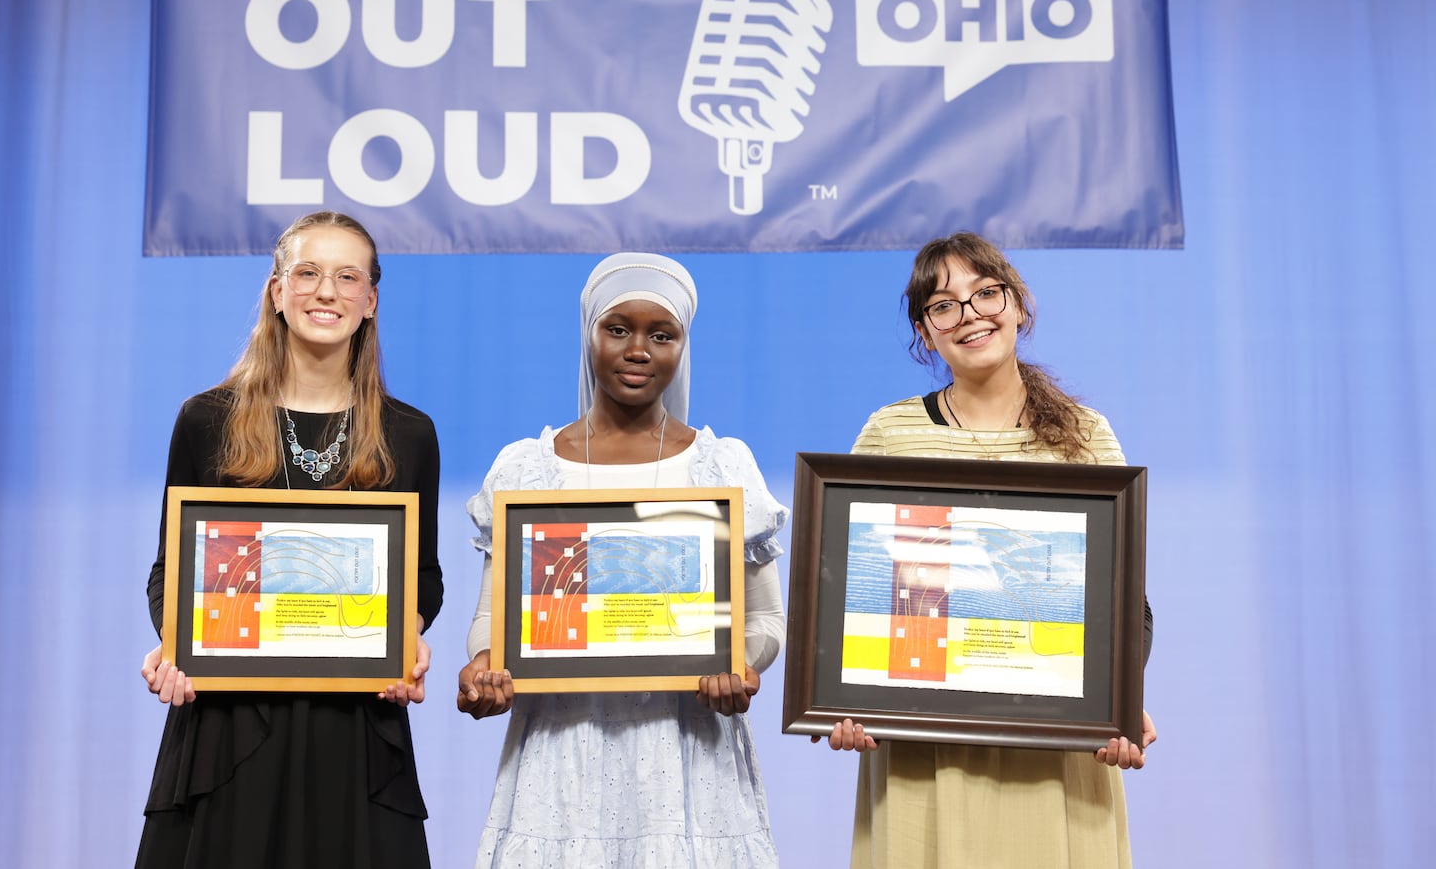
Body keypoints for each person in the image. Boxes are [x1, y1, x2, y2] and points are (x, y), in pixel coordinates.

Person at [826, 232, 1156, 869]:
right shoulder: (889, 433)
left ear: (1018, 305)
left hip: (1058, 748)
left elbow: (1127, 605)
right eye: (943, 305)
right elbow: (854, 597)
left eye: (986, 293)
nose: (970, 314)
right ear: (926, 332)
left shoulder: (1086, 436)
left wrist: (1119, 702)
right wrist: (846, 698)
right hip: (926, 750)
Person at [457, 252, 788, 868]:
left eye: (662, 335)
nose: (639, 349)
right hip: (561, 755)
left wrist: (738, 661)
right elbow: (490, 617)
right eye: (619, 329)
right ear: (589, 332)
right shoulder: (528, 468)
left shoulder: (722, 467)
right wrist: (485, 665)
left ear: (682, 346)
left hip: (689, 758)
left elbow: (768, 619)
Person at [136, 211, 443, 868]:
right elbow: (172, 569)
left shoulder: (409, 434)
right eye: (307, 272)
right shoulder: (205, 420)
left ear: (370, 300)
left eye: (345, 276)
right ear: (277, 290)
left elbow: (424, 576)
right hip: (227, 722)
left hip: (357, 728)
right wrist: (176, 643)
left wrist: (406, 635)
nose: (325, 292)